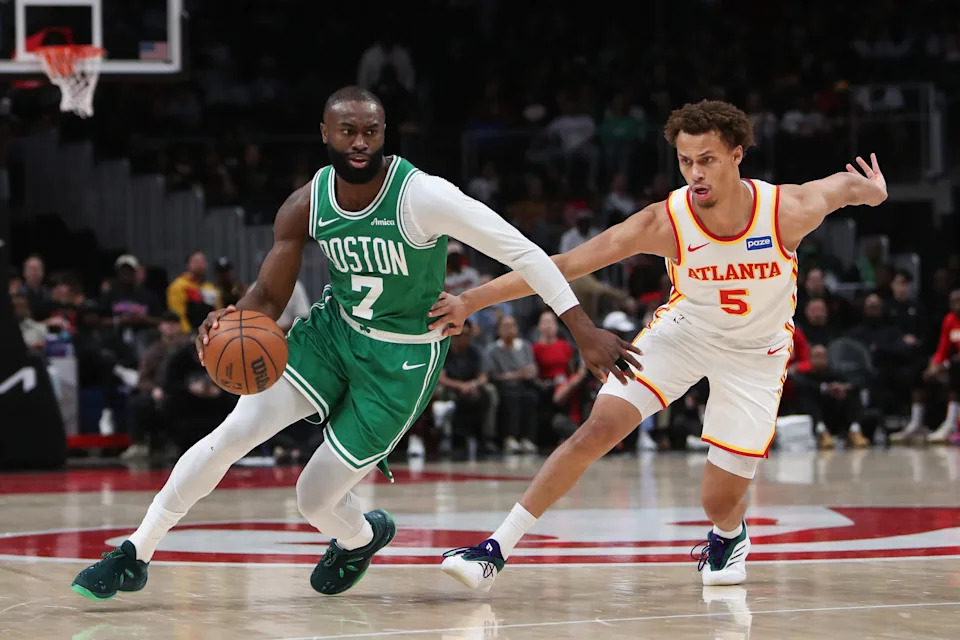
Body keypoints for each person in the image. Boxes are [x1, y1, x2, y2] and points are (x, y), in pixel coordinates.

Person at [70, 86, 638, 601]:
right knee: (232, 435)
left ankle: (361, 538)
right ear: (325, 133)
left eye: (370, 130)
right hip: (332, 334)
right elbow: (269, 292)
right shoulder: (305, 203)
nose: (360, 142)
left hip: (403, 359)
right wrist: (229, 323)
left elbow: (524, 252)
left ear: (384, 134)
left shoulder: (425, 197)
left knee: (312, 499)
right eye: (348, 130)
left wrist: (580, 326)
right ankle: (135, 553)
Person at [432, 100, 887, 590]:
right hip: (685, 334)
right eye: (685, 161)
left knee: (717, 501)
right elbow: (561, 265)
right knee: (597, 429)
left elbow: (846, 188)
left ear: (737, 155)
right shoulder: (664, 222)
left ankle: (729, 534)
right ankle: (494, 549)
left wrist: (875, 192)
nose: (695, 173)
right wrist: (470, 300)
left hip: (756, 356)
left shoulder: (787, 210)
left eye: (707, 159)